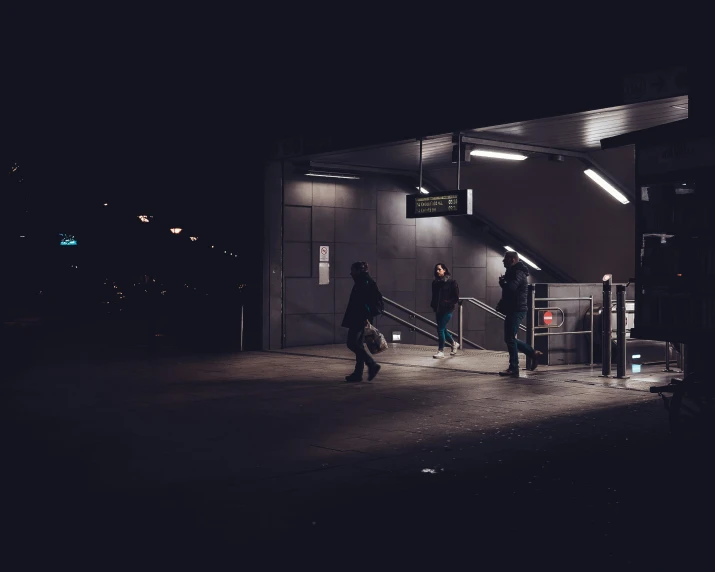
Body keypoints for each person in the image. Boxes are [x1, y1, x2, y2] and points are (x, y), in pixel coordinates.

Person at [497, 251, 543, 377]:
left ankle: (514, 367)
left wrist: (503, 283)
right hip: (514, 308)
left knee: (510, 338)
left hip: (517, 309)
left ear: (512, 260)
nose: (503, 261)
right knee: (509, 338)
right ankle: (533, 354)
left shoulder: (518, 272)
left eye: (505, 259)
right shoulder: (514, 271)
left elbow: (512, 288)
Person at [341, 261, 382, 382]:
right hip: (361, 317)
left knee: (351, 343)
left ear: (359, 270)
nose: (350, 273)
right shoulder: (366, 281)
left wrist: (365, 318)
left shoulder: (363, 282)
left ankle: (371, 364)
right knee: (358, 344)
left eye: (353, 270)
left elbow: (364, 302)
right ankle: (358, 373)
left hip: (359, 318)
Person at [430, 263, 460, 359]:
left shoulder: (452, 282)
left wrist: (447, 302)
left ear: (444, 270)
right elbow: (434, 296)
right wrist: (433, 304)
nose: (437, 271)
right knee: (442, 329)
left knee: (440, 329)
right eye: (436, 270)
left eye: (439, 269)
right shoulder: (435, 283)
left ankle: (441, 351)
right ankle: (454, 343)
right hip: (438, 309)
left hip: (447, 309)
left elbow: (456, 298)